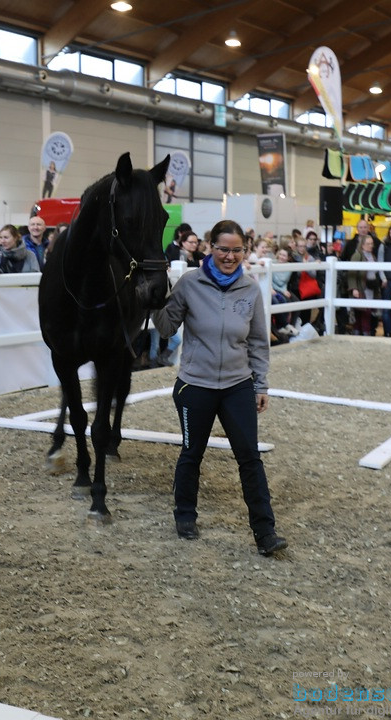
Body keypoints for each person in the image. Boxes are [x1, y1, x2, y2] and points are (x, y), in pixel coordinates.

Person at [151, 219, 287, 557]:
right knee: (191, 453)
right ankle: (185, 515)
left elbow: (258, 341)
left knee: (250, 458)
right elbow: (167, 328)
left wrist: (261, 384)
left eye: (237, 250)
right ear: (210, 247)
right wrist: (153, 299)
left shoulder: (250, 289)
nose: (229, 256)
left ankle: (265, 532)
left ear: (244, 251)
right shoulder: (189, 284)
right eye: (223, 249)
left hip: (237, 385)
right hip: (195, 384)